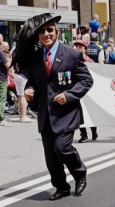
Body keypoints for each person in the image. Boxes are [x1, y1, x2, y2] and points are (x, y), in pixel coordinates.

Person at [23, 13, 93, 200]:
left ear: (57, 31)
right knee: (51, 156)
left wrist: (69, 95)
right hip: (46, 113)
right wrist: (29, 89)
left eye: (50, 30)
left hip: (66, 113)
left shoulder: (72, 54)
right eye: (42, 31)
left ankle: (79, 174)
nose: (46, 34)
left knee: (62, 148)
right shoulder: (35, 58)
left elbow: (86, 81)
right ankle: (61, 187)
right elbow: (33, 82)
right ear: (37, 35)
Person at [73, 40, 98, 144]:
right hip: (77, 88)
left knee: (90, 111)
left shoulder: (89, 61)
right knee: (80, 112)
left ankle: (94, 130)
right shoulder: (72, 59)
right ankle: (83, 134)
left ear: (85, 49)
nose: (78, 48)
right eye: (77, 46)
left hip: (87, 90)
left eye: (81, 46)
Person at [0, 46, 10, 126]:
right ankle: (1, 118)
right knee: (2, 98)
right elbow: (8, 65)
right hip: (1, 78)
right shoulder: (1, 53)